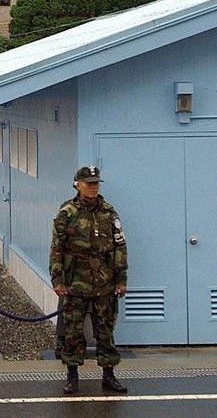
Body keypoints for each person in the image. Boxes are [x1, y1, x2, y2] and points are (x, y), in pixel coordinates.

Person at [49, 166, 128, 395]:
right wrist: (57, 279)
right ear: (77, 185)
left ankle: (109, 375)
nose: (93, 187)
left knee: (105, 329)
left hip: (104, 281)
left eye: (96, 183)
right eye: (88, 183)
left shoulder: (108, 212)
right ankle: (72, 376)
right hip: (76, 281)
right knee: (74, 330)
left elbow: (119, 246)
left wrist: (121, 279)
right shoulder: (67, 212)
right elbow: (57, 249)